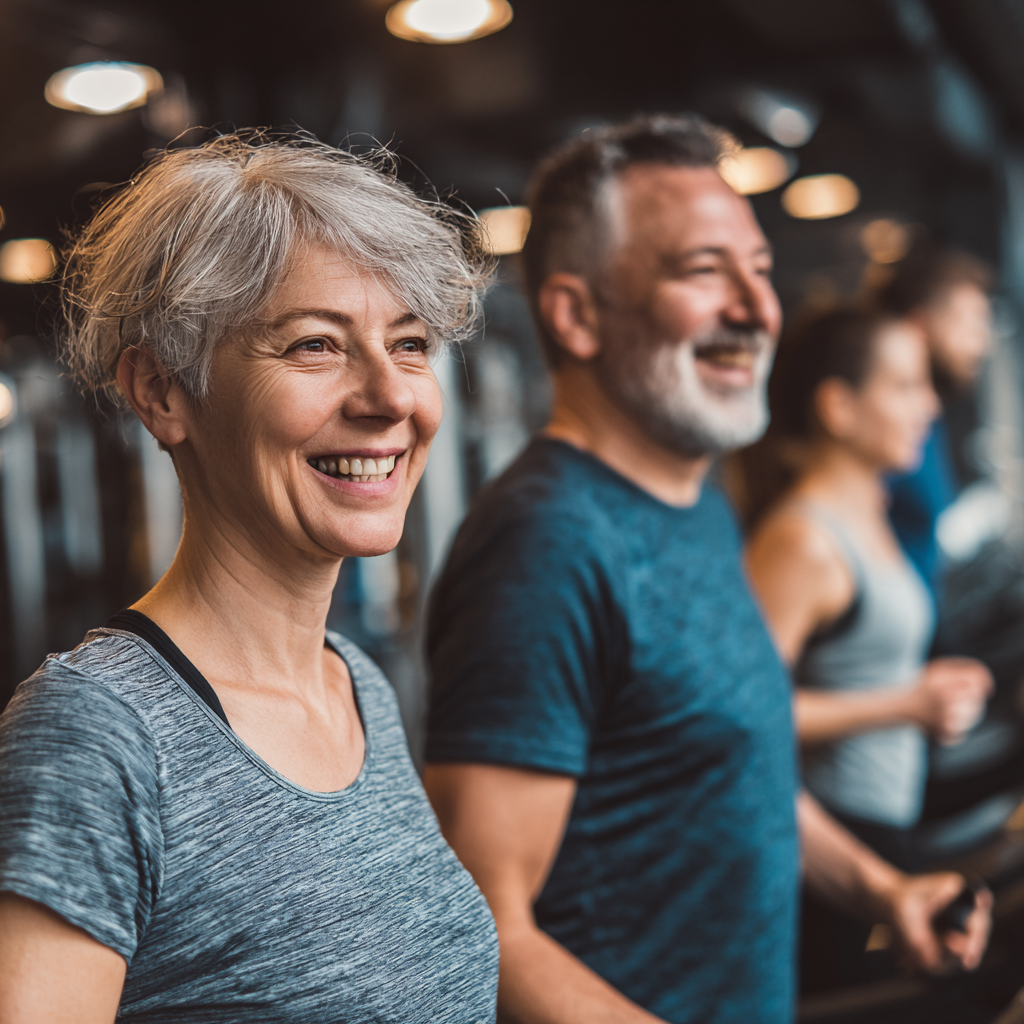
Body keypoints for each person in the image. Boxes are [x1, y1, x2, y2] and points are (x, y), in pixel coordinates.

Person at [422, 116, 991, 1024]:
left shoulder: (696, 505)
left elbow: (739, 769)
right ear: (576, 315)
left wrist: (887, 891)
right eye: (702, 270)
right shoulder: (547, 544)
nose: (758, 308)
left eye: (759, 270)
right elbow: (480, 927)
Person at [0, 134, 498, 1023]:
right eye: (315, 346)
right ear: (161, 391)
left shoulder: (357, 688)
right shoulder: (95, 735)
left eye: (412, 342)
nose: (390, 396)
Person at [739, 307, 992, 861]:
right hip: (835, 832)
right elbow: (747, 716)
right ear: (838, 407)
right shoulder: (801, 540)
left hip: (886, 812)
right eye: (904, 386)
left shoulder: (870, 509)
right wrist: (907, 704)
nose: (929, 406)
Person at [879, 250, 993, 593]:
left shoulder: (929, 419)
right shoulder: (885, 430)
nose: (982, 344)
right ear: (920, 327)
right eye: (971, 323)